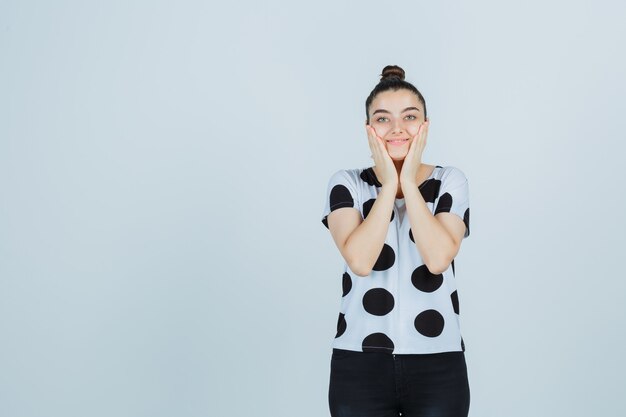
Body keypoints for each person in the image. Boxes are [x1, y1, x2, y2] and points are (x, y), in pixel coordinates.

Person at [320, 65, 471, 417]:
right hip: (359, 364)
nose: (398, 128)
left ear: (425, 126)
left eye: (410, 116)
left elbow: (437, 259)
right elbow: (360, 260)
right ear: (369, 129)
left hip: (438, 363)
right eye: (383, 119)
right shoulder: (348, 184)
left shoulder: (451, 181)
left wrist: (409, 182)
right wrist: (389, 185)